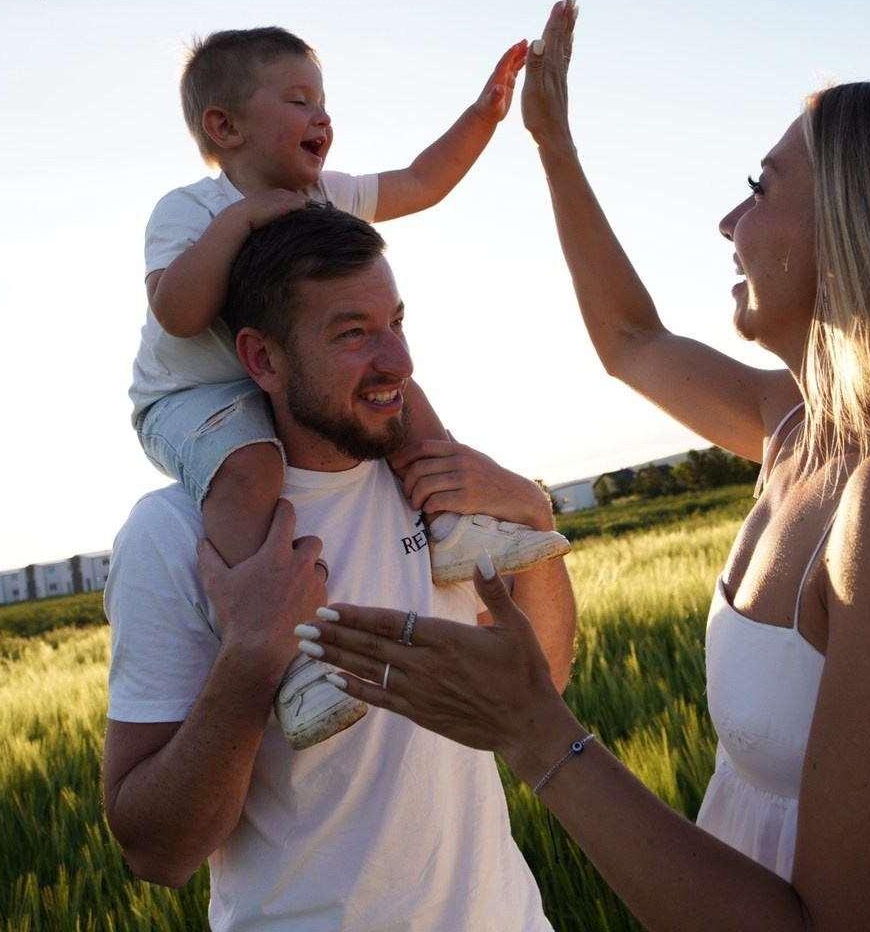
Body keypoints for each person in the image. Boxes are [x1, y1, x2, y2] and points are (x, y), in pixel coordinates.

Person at [297, 0, 870, 931]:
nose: (727, 220)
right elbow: (630, 339)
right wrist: (554, 145)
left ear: (862, 233)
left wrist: (532, 728)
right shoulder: (801, 425)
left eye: (760, 187)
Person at [104, 202, 575, 930]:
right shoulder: (173, 537)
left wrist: (535, 524)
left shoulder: (435, 484)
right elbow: (157, 852)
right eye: (354, 334)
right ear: (263, 359)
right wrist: (251, 660)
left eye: (397, 322)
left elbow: (539, 686)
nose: (400, 363)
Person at [129, 27, 569, 747]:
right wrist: (243, 221)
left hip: (275, 380)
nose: (322, 117)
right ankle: (293, 657)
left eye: (324, 100)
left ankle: (452, 523)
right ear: (225, 126)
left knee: (405, 394)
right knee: (251, 468)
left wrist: (484, 114)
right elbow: (177, 314)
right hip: (192, 397)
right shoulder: (193, 210)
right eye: (299, 100)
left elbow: (421, 182)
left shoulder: (323, 195)